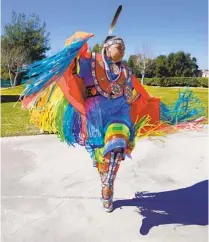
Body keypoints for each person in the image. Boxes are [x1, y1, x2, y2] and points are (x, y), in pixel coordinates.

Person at [20, 31, 205, 212]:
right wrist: (79, 41)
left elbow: (136, 89)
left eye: (124, 47)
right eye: (119, 46)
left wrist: (136, 101)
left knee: (117, 145)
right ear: (107, 47)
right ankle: (105, 186)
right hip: (95, 116)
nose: (123, 49)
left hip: (119, 113)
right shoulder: (90, 61)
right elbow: (71, 61)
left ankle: (108, 184)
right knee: (100, 157)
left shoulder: (125, 69)